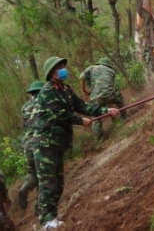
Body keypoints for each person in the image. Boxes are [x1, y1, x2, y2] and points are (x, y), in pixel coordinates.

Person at [33, 57, 119, 230]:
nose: (63, 69)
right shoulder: (47, 91)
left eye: (63, 66)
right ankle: (46, 221)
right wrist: (81, 121)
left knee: (59, 182)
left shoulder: (66, 90)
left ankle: (53, 214)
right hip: (45, 143)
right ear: (51, 72)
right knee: (48, 182)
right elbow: (59, 114)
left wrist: (105, 110)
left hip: (58, 142)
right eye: (59, 67)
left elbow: (82, 105)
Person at [79, 57, 125, 141]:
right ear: (108, 64)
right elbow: (111, 85)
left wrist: (84, 90)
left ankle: (99, 140)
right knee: (120, 101)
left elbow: (82, 77)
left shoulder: (91, 68)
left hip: (96, 98)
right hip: (110, 96)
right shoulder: (111, 71)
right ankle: (124, 118)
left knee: (96, 117)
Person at [18, 80, 44, 212]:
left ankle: (24, 188)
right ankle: (38, 207)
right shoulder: (45, 102)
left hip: (27, 143)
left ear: (32, 93)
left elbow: (25, 125)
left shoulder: (24, 107)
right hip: (40, 142)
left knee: (32, 173)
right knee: (43, 175)